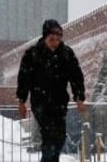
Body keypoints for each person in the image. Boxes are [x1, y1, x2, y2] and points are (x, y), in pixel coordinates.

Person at [16, 19, 87, 162]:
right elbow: (23, 79)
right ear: (44, 37)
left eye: (58, 39)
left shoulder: (66, 54)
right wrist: (21, 101)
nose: (55, 42)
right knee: (49, 136)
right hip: (40, 103)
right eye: (52, 39)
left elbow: (76, 77)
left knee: (59, 138)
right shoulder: (32, 54)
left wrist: (79, 97)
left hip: (59, 103)